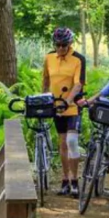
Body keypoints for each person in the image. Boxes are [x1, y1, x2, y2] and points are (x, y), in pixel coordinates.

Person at [43, 26, 86, 197]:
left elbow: (78, 84)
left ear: (70, 44)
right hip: (56, 106)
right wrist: (44, 98)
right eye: (58, 45)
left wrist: (67, 101)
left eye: (64, 45)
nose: (61, 48)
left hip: (72, 106)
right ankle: (65, 179)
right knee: (62, 143)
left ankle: (75, 180)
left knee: (72, 142)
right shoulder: (49, 57)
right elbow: (46, 80)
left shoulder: (78, 59)